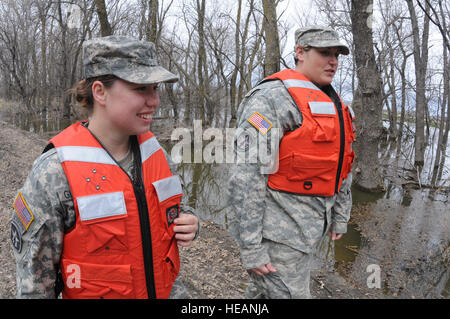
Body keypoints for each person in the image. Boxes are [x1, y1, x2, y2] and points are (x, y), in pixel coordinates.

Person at [10, 36, 199, 299]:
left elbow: (177, 207)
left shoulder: (156, 152)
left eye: (155, 88)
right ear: (100, 92)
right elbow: (34, 288)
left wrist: (190, 221)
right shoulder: (54, 172)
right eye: (141, 89)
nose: (154, 100)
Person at [227, 26, 355, 299]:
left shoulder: (334, 102)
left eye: (336, 55)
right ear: (300, 52)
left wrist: (340, 215)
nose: (333, 61)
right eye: (324, 53)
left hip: (308, 231)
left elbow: (343, 163)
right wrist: (250, 246)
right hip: (278, 237)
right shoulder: (270, 100)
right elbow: (246, 176)